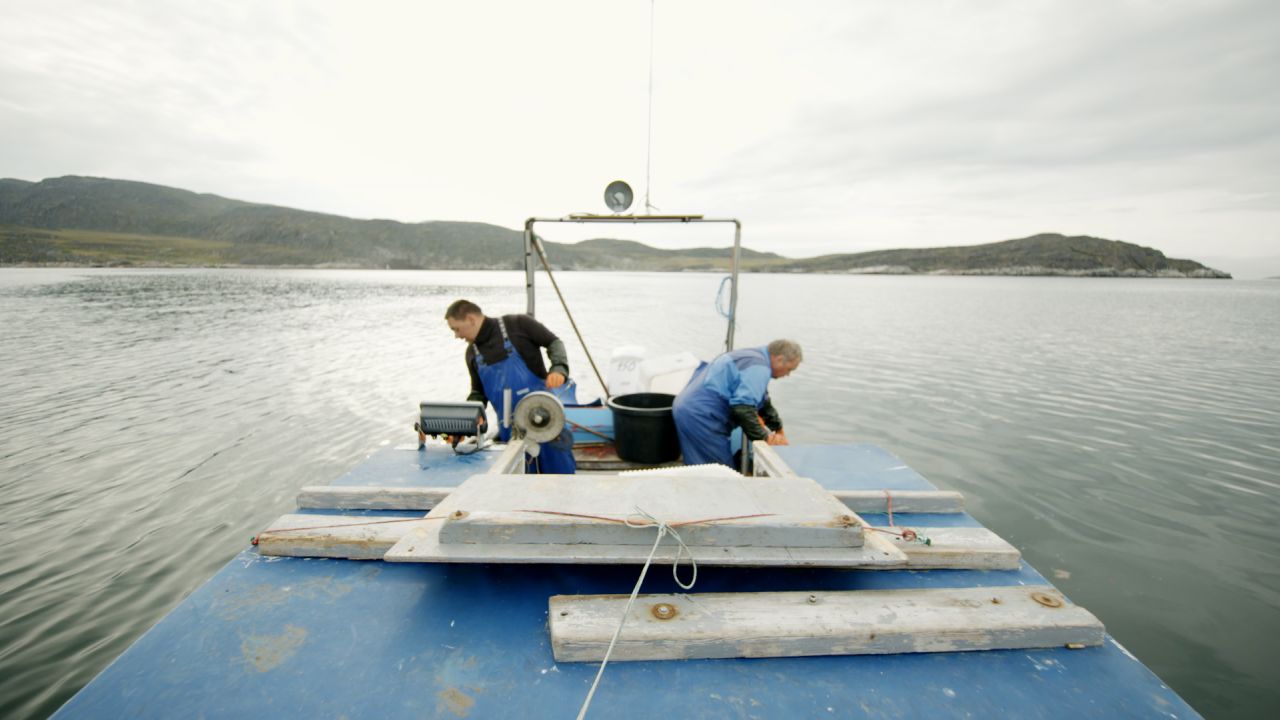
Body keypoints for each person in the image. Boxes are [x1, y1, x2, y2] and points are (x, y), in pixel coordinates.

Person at [444, 299, 577, 473]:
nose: (457, 336)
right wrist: (466, 420)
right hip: (511, 434)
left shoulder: (519, 325)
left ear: (471, 319)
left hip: (547, 423)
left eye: (456, 329)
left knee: (561, 478)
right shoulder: (472, 354)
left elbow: (554, 342)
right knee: (519, 485)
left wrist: (559, 368)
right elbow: (478, 393)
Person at [672, 339, 802, 468]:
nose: (788, 374)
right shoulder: (759, 367)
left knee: (699, 463)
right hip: (702, 416)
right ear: (779, 359)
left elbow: (762, 401)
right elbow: (743, 408)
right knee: (719, 471)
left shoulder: (753, 357)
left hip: (687, 406)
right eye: (789, 369)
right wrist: (765, 438)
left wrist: (778, 428)